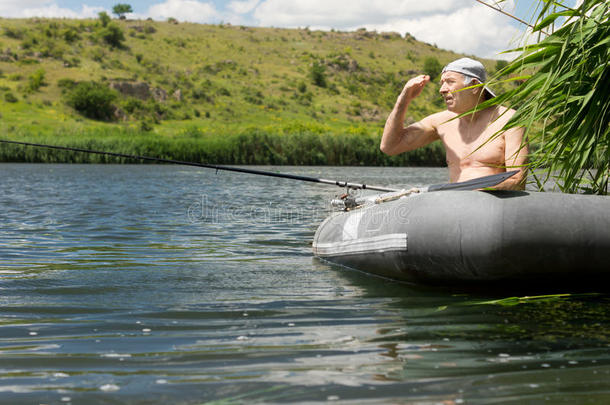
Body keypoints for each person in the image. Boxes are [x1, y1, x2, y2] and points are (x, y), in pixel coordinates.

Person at [380, 57, 528, 190]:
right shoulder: (440, 122)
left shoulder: (509, 120)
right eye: (442, 83)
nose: (442, 90)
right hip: (454, 206)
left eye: (450, 82)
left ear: (474, 86)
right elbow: (390, 146)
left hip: (491, 209)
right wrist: (404, 98)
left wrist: (469, 193)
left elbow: (517, 181)